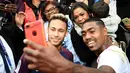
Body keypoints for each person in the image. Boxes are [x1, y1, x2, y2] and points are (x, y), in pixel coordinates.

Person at [23, 18, 130, 73]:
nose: (87, 37)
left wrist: (65, 67)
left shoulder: (113, 55)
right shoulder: (31, 54)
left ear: (105, 31)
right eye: (83, 34)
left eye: (92, 31)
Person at [70, 2, 97, 66]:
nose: (80, 19)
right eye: (76, 17)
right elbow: (84, 57)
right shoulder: (75, 32)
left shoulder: (98, 23)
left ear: (88, 13)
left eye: (82, 14)